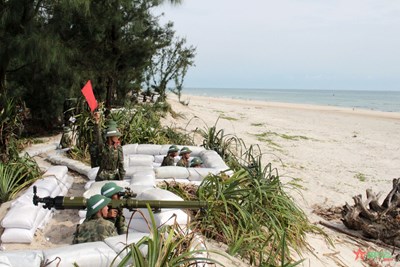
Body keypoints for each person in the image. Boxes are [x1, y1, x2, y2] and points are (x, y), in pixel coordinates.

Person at [93, 112, 126, 181]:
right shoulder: (103, 146)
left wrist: (122, 180)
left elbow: (121, 164)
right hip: (102, 175)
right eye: (115, 136)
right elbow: (98, 137)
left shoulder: (118, 148)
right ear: (110, 137)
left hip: (114, 176)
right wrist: (96, 122)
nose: (117, 137)